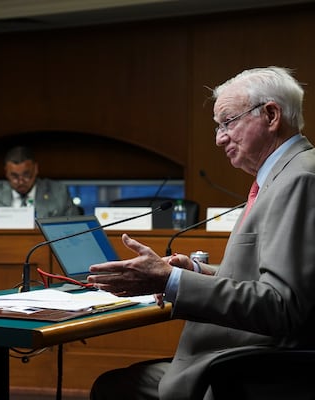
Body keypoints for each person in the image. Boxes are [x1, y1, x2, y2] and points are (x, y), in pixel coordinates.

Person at [88, 67, 315, 400]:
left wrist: (170, 282)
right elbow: (263, 279)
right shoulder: (286, 174)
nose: (219, 138)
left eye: (227, 122)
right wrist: (194, 271)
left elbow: (282, 305)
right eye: (217, 126)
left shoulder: (299, 179)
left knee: (113, 387)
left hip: (256, 367)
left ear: (270, 115)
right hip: (245, 356)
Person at [0, 145, 80, 227]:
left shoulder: (58, 192)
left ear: (36, 169)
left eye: (27, 175)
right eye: (14, 176)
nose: (21, 181)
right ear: (6, 172)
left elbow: (76, 227)